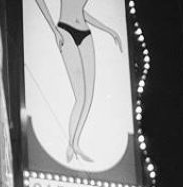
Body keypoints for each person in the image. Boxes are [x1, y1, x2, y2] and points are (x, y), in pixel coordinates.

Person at [34, 0, 122, 162]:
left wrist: (109, 30)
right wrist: (54, 30)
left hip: (85, 33)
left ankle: (74, 143)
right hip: (65, 30)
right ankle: (73, 144)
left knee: (89, 96)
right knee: (80, 96)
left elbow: (80, 11)